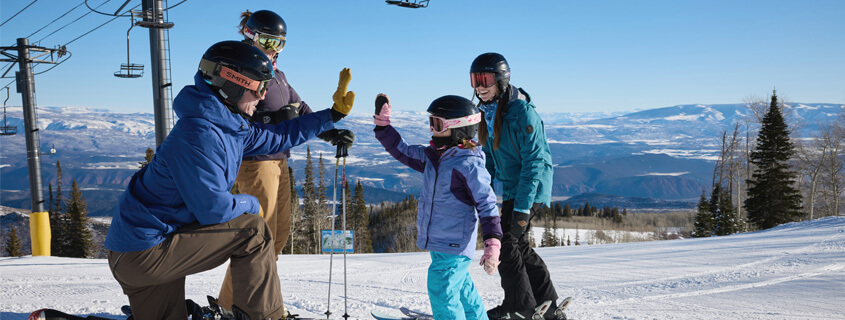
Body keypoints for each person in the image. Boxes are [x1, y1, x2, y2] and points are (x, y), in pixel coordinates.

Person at [104, 40, 355, 320]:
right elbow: (214, 210)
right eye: (258, 88)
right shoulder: (199, 135)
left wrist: (332, 117)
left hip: (140, 249)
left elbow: (279, 136)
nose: (262, 97)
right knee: (254, 233)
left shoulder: (226, 126)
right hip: (146, 253)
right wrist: (252, 202)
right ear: (233, 85)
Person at [215, 10, 355, 317]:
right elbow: (239, 114)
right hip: (256, 162)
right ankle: (234, 308)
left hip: (278, 161)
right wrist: (279, 119)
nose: (273, 49)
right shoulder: (241, 70)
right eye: (267, 40)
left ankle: (250, 306)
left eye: (280, 43)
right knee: (257, 240)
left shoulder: (277, 74)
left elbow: (299, 108)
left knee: (275, 241)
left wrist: (329, 130)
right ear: (250, 36)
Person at [373, 94, 502, 320]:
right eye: (431, 122)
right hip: (442, 242)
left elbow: (487, 204)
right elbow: (402, 151)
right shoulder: (434, 157)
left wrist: (493, 243)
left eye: (438, 124)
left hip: (454, 243)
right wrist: (384, 127)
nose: (432, 130)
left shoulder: (468, 164)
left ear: (458, 128)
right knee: (462, 290)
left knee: (442, 291)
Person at [469, 53, 561, 320]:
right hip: (513, 188)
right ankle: (548, 305)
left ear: (501, 80)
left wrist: (522, 207)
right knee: (518, 245)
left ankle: (519, 307)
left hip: (529, 188)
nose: (479, 86)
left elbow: (534, 162)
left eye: (485, 79)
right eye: (475, 79)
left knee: (507, 242)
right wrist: (476, 190)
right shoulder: (487, 114)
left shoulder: (522, 112)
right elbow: (490, 163)